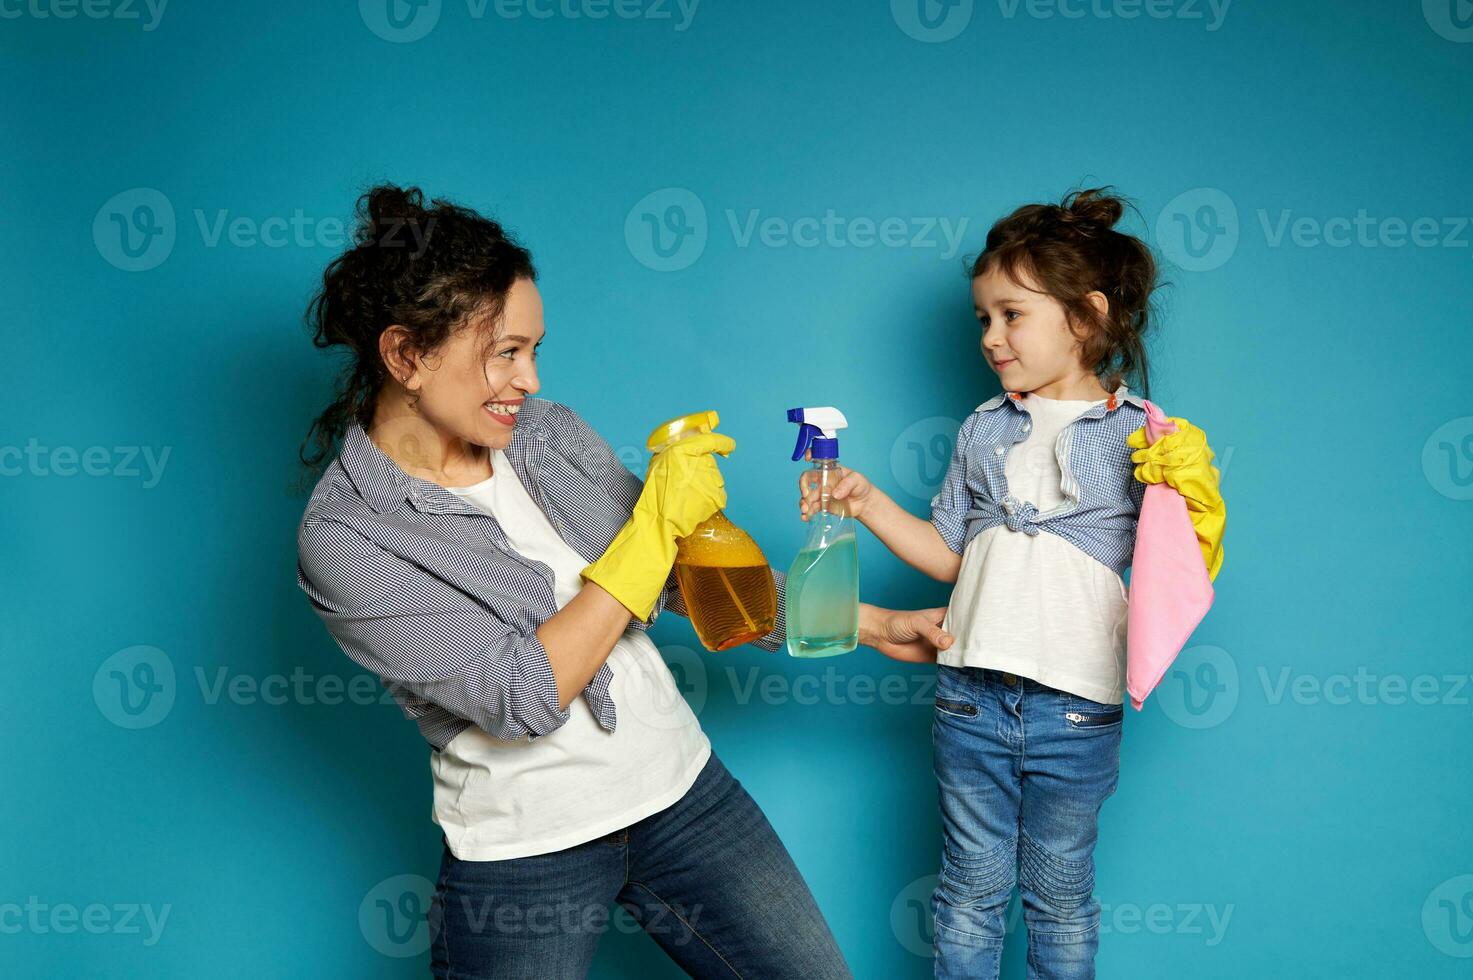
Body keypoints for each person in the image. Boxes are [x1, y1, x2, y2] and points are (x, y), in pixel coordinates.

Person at [294, 184, 952, 979]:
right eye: (505, 352)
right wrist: (652, 526)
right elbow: (524, 694)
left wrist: (875, 624)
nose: (529, 380)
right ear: (405, 355)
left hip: (683, 794)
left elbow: (679, 580)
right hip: (527, 850)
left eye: (534, 350)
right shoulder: (348, 536)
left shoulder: (547, 434)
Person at [798, 188, 1227, 978]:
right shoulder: (982, 427)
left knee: (1059, 894)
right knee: (967, 890)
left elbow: (1179, 562)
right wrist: (864, 503)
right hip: (968, 696)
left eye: (1011, 315)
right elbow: (952, 555)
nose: (991, 337)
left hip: (1074, 707)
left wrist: (1194, 496)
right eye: (981, 319)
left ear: (1087, 316)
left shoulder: (1141, 435)